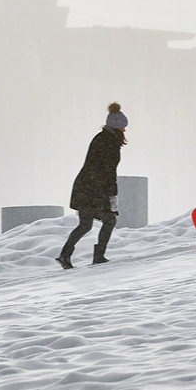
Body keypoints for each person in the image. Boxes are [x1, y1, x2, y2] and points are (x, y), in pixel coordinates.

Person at [56, 102, 128, 268]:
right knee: (109, 220)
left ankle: (65, 255)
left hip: (85, 186)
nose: (125, 130)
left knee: (85, 224)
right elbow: (108, 171)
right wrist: (112, 196)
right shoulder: (110, 143)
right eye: (123, 127)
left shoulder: (101, 138)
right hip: (95, 188)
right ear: (118, 127)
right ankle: (99, 256)